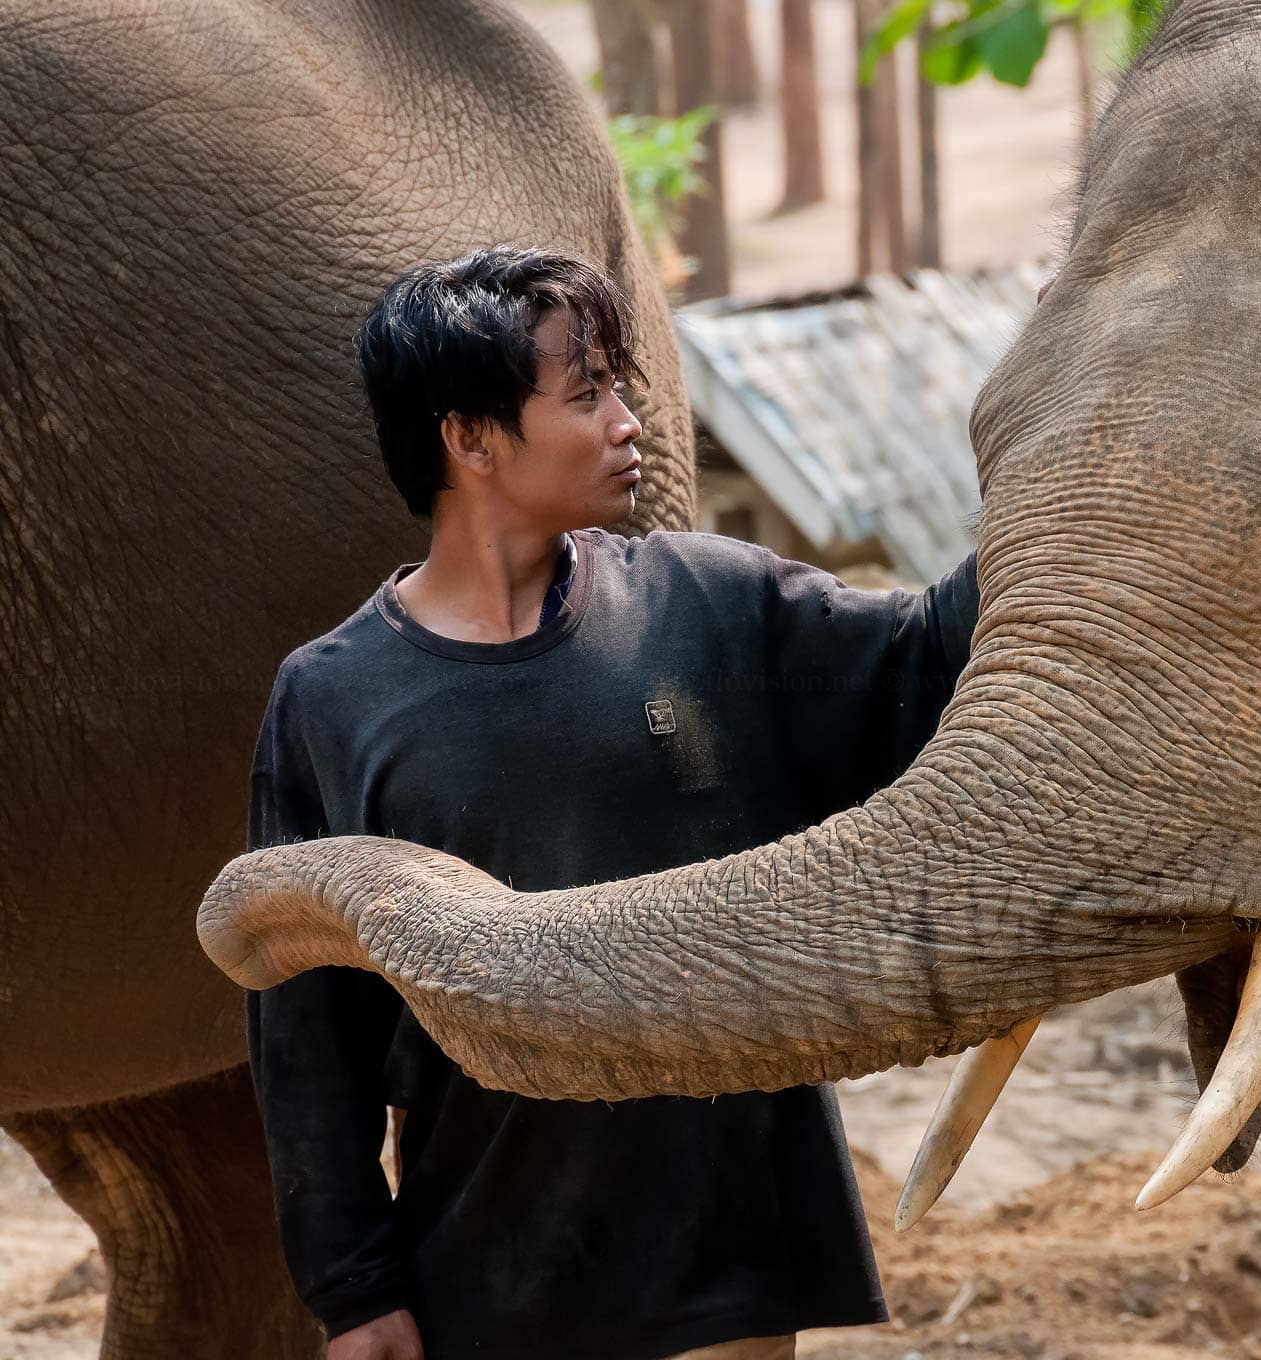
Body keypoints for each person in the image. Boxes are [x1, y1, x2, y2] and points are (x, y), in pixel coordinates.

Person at [245, 247, 978, 1360]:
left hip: (723, 1251)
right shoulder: (333, 698)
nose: (629, 421)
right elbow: (305, 1039)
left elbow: (922, 659)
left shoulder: (709, 603)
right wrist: (351, 1289)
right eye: (585, 394)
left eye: (619, 387)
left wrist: (1068, 490)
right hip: (493, 1261)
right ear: (471, 437)